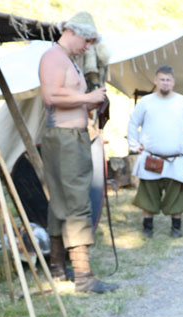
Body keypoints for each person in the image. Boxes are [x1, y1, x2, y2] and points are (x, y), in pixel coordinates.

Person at [39, 12, 116, 293]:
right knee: (76, 201)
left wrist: (95, 104)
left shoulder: (70, 60)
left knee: (62, 200)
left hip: (74, 137)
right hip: (63, 139)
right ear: (73, 32)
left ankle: (59, 269)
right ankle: (83, 276)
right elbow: (51, 96)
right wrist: (88, 97)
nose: (88, 47)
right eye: (87, 40)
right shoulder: (53, 57)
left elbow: (70, 99)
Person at [128, 66, 183, 238]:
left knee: (177, 194)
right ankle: (147, 227)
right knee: (148, 194)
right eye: (162, 79)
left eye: (168, 80)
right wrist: (134, 144)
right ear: (156, 80)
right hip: (152, 157)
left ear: (173, 82)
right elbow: (133, 123)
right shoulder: (146, 102)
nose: (165, 83)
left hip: (177, 158)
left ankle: (176, 227)